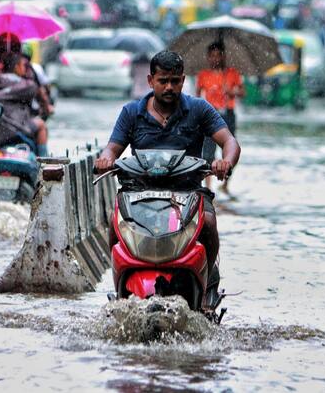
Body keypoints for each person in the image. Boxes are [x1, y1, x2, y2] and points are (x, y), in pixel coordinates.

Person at [95, 50, 241, 295]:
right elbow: (112, 147)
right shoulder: (132, 112)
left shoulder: (199, 109)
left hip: (188, 191)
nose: (169, 87)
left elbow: (229, 141)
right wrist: (106, 159)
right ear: (151, 80)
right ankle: (120, 284)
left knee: (208, 222)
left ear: (183, 81)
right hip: (139, 192)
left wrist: (225, 162)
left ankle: (206, 283)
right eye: (163, 81)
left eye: (175, 81)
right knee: (114, 223)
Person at [0, 52, 48, 155]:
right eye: (23, 65)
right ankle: (43, 161)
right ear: (17, 67)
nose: (25, 69)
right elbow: (37, 92)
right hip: (18, 128)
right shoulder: (26, 85)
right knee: (41, 125)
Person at [196, 41, 245, 195]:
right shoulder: (203, 75)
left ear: (223, 56)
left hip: (228, 114)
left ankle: (225, 182)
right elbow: (198, 96)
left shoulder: (232, 73)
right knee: (208, 151)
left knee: (230, 148)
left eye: (218, 55)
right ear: (208, 57)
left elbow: (243, 93)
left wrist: (231, 92)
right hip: (210, 114)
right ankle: (209, 186)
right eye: (212, 56)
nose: (215, 59)